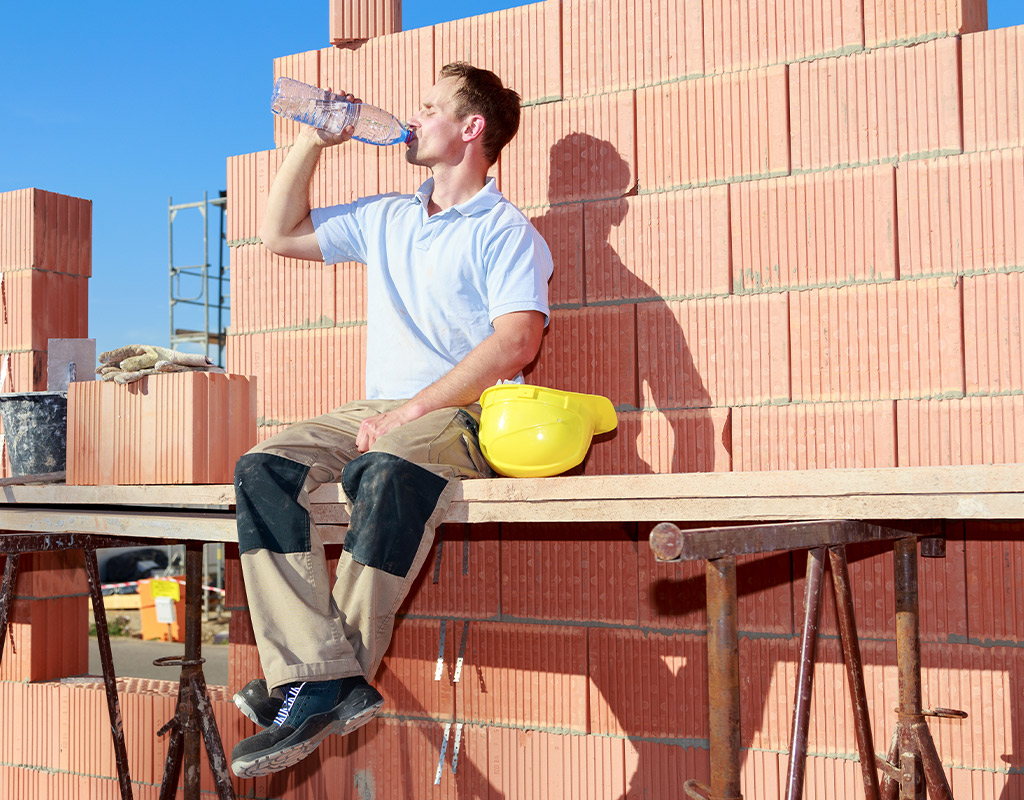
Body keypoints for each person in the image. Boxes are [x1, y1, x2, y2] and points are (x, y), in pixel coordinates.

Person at [229, 63, 553, 778]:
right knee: (262, 471)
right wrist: (316, 140)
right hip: (378, 410)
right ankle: (325, 675)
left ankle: (316, 678)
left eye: (431, 107)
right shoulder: (389, 216)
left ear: (471, 129)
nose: (413, 118)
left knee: (387, 469)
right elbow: (279, 235)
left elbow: (516, 342)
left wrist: (410, 411)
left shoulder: (507, 233)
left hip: (465, 414)